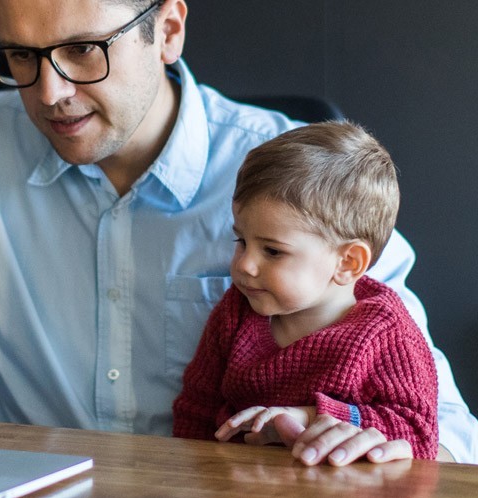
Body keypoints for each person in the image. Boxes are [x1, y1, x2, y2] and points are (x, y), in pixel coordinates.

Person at [0, 0, 478, 464]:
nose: (50, 93)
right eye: (21, 56)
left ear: (167, 30)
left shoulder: (300, 189)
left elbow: (453, 434)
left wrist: (364, 439)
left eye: (85, 50)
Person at [171, 121, 437, 466]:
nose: (244, 265)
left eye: (273, 251)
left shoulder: (387, 334)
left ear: (348, 262)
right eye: (242, 242)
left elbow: (418, 435)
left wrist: (312, 417)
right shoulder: (235, 313)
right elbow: (196, 409)